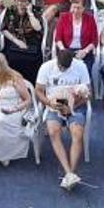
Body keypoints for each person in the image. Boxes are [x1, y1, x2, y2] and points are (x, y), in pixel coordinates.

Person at [36, 48, 92, 189]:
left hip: (76, 105)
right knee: (54, 131)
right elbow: (38, 90)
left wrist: (72, 107)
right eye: (61, 67)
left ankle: (70, 173)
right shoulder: (46, 67)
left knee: (77, 134)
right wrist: (49, 103)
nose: (63, 69)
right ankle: (69, 173)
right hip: (54, 105)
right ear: (57, 60)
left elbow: (89, 93)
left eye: (66, 68)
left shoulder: (81, 67)